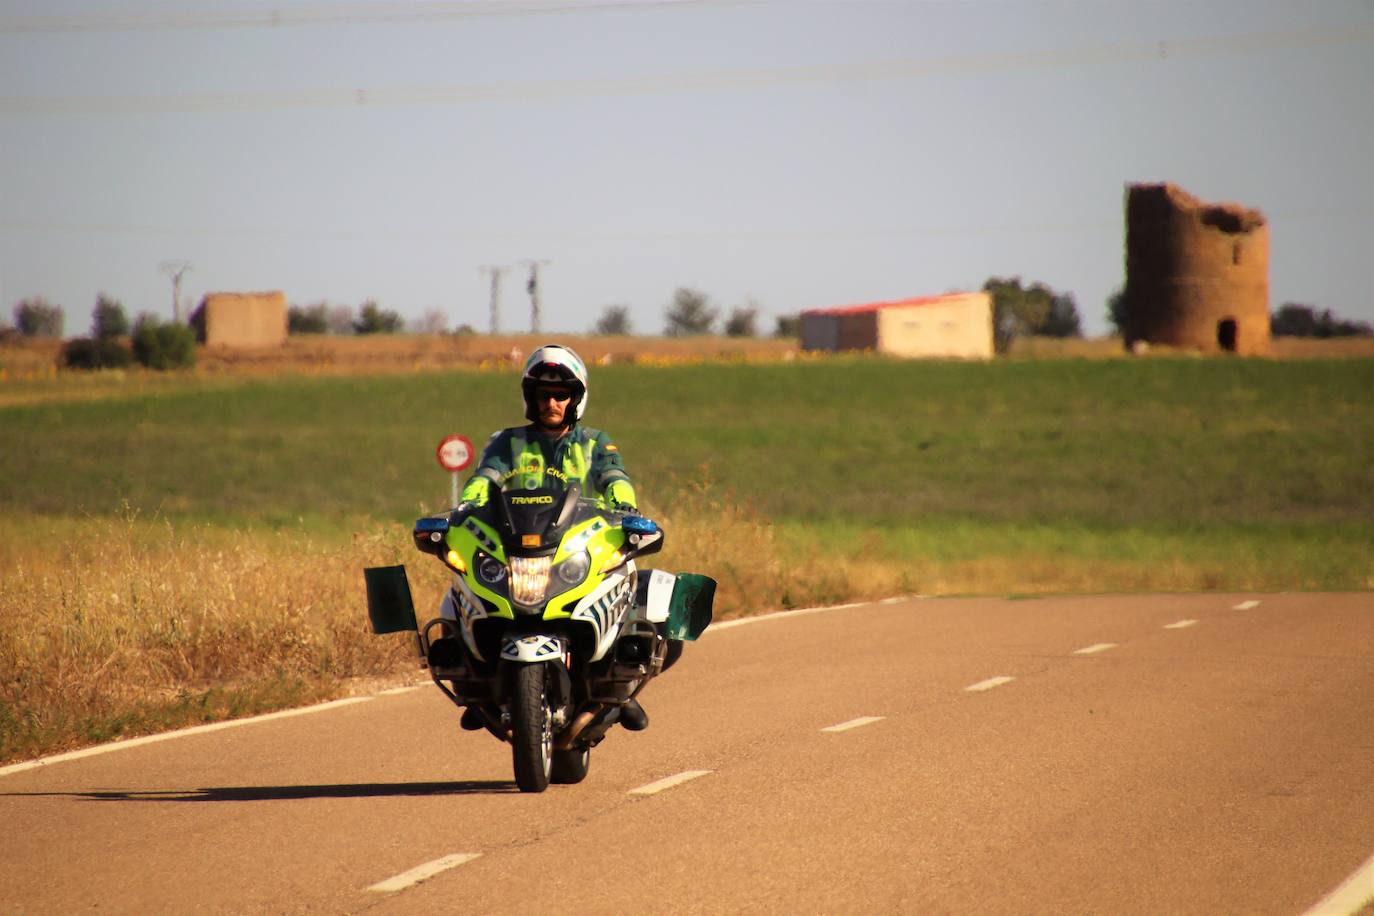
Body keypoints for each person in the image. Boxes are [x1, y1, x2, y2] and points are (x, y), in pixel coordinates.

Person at [457, 343, 649, 731]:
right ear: (530, 398)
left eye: (561, 395)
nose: (551, 402)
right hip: (519, 544)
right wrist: (467, 504)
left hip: (577, 544)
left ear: (576, 399)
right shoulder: (506, 442)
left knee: (632, 585)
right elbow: (485, 477)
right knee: (461, 589)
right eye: (542, 394)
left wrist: (627, 509)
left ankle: (623, 685)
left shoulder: (595, 442)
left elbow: (615, 477)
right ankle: (477, 677)